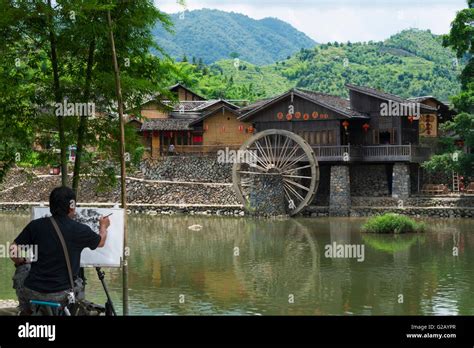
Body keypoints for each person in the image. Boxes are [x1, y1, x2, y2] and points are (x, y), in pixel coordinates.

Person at [10, 186, 110, 315]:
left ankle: (26, 310)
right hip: (63, 295)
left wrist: (22, 261)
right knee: (78, 281)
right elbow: (100, 242)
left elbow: (13, 249)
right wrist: (103, 226)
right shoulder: (80, 229)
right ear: (71, 206)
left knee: (22, 269)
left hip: (33, 292)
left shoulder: (36, 225)